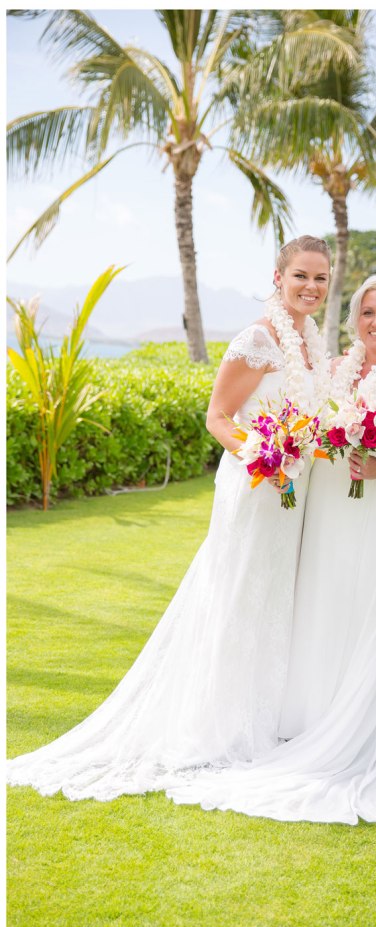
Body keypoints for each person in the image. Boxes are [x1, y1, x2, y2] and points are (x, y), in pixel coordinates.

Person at [7, 235, 332, 801]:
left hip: (294, 490)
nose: (311, 286)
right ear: (277, 277)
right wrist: (263, 455)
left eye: (321, 278)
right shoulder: (257, 339)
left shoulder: (311, 343)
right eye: (300, 275)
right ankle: (223, 724)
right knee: (239, 594)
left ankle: (273, 711)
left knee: (279, 596)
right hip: (256, 485)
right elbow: (218, 416)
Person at [165, 274, 376, 823]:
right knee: (319, 610)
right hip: (324, 512)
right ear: (355, 319)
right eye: (368, 312)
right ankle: (309, 718)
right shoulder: (337, 374)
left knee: (368, 615)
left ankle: (359, 725)